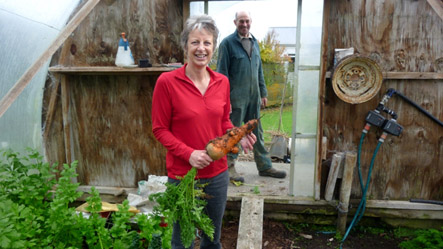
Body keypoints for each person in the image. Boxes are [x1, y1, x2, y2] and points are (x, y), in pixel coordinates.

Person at [151, 15, 256, 249]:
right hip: (182, 176)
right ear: (185, 46)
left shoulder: (222, 82)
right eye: (195, 42)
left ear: (213, 47)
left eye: (207, 43)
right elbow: (159, 129)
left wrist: (239, 134)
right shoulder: (167, 82)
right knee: (183, 240)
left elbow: (223, 122)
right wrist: (189, 154)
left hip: (217, 174)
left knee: (212, 238)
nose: (201, 48)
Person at [217, 10, 287, 182]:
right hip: (236, 98)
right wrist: (225, 99)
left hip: (253, 97)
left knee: (257, 132)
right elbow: (222, 74)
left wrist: (263, 92)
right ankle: (230, 169)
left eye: (247, 21)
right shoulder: (227, 43)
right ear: (235, 23)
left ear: (251, 22)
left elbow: (259, 71)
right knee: (234, 133)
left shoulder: (254, 42)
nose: (244, 24)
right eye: (241, 21)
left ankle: (265, 166)